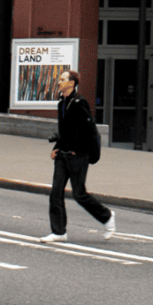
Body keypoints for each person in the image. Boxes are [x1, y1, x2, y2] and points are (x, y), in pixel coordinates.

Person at [41, 69, 115, 242]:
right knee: (56, 192)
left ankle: (107, 217)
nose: (59, 82)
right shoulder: (62, 103)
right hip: (62, 155)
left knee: (79, 194)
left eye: (62, 79)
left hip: (78, 155)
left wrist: (80, 151)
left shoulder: (80, 103)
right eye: (59, 79)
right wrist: (57, 148)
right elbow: (64, 131)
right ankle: (59, 232)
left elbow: (89, 132)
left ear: (71, 83)